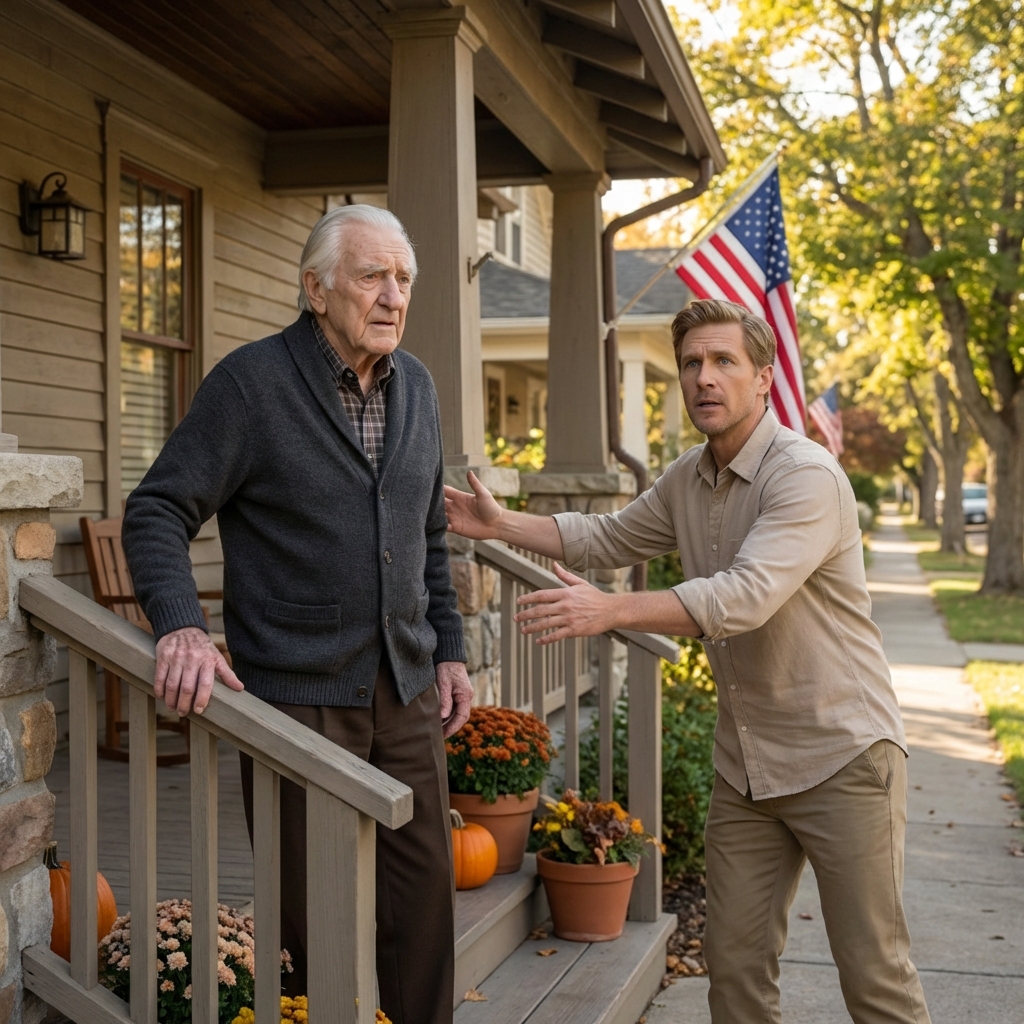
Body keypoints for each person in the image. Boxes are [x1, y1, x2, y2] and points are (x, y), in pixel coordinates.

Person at [444, 298, 931, 1024]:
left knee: (874, 978)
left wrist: (612, 611)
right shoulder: (688, 477)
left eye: (724, 360)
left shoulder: (805, 476)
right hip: (748, 771)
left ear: (763, 377)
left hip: (844, 759)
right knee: (733, 974)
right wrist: (501, 523)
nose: (704, 377)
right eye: (692, 363)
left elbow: (744, 596)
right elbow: (607, 537)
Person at [123, 204, 473, 1024]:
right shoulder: (251, 385)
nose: (393, 296)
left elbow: (427, 534)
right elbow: (157, 509)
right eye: (372, 276)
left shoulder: (418, 387)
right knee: (312, 922)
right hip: (298, 699)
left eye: (404, 279)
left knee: (423, 906)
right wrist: (181, 625)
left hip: (408, 690)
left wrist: (449, 650)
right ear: (316, 289)